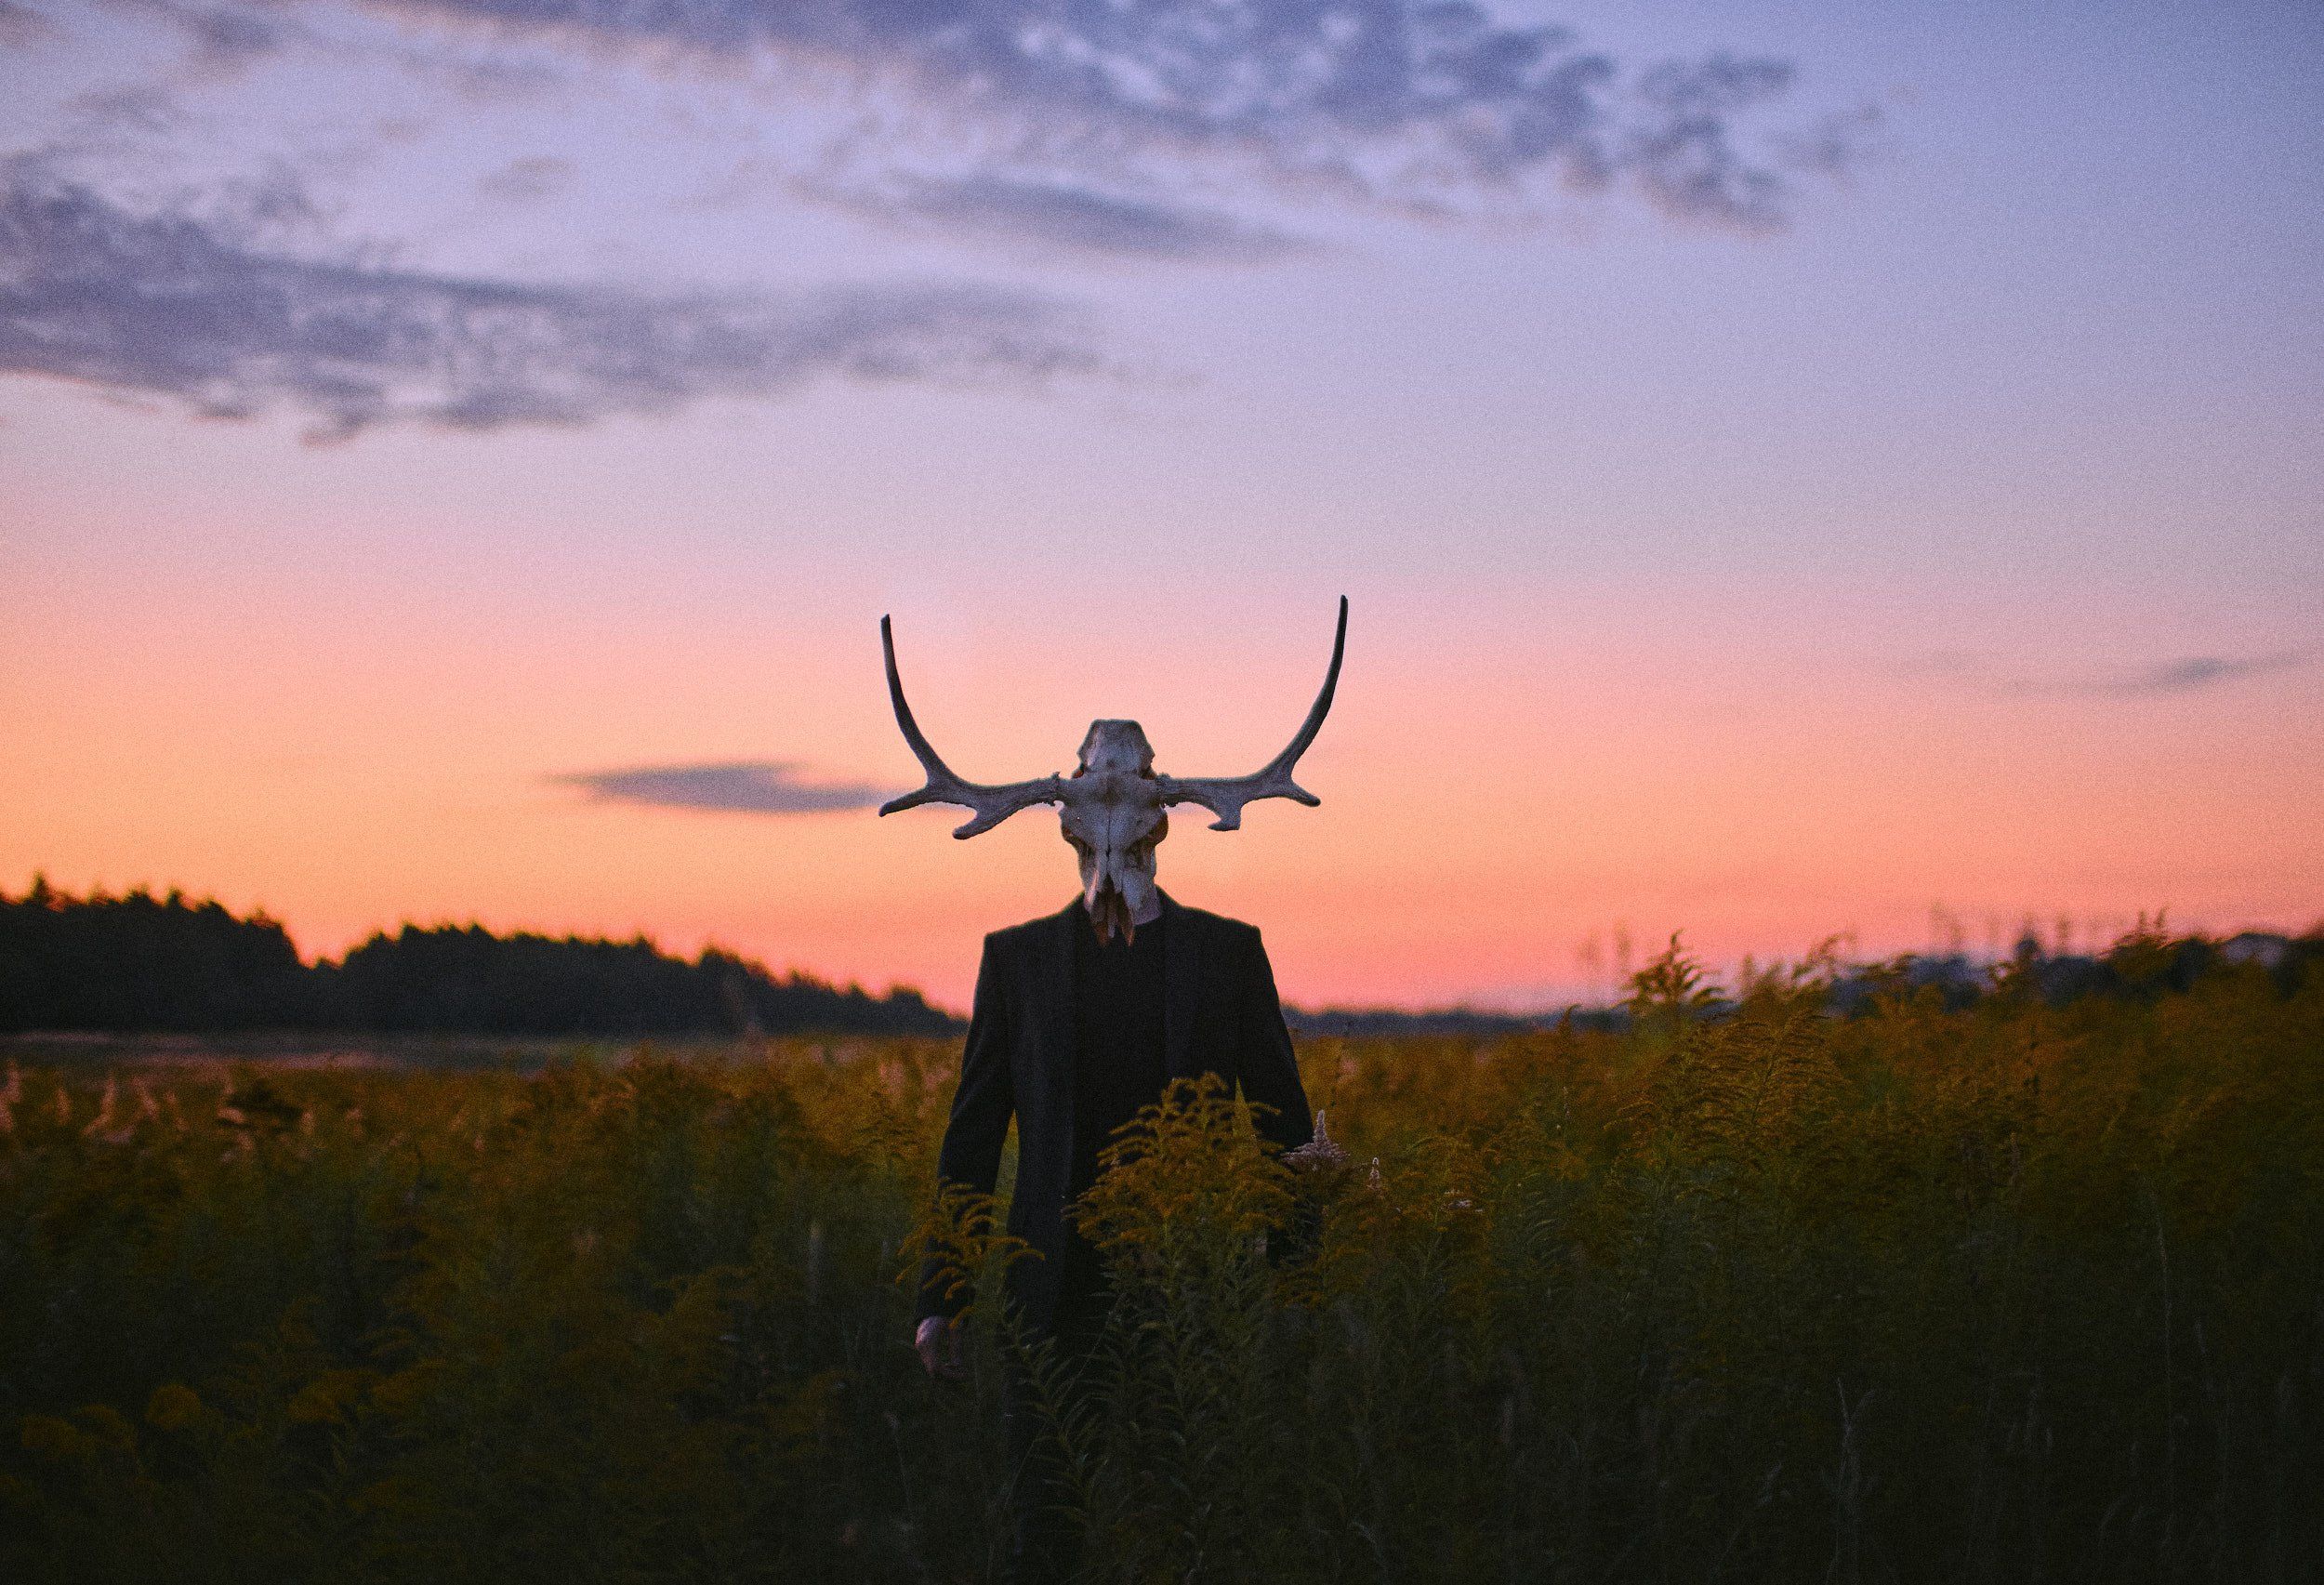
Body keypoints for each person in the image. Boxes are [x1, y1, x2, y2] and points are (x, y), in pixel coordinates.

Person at [874, 601, 1350, 1578]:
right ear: (1062, 806)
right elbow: (972, 1140)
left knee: (1190, 1526)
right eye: (1093, 770)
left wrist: (1293, 1283)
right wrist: (942, 1297)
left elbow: (1280, 1127)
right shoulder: (1015, 964)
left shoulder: (1226, 955)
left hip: (1188, 1292)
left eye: (1131, 775)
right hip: (1052, 1298)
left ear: (1165, 810)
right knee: (1048, 1530)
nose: (1111, 793)